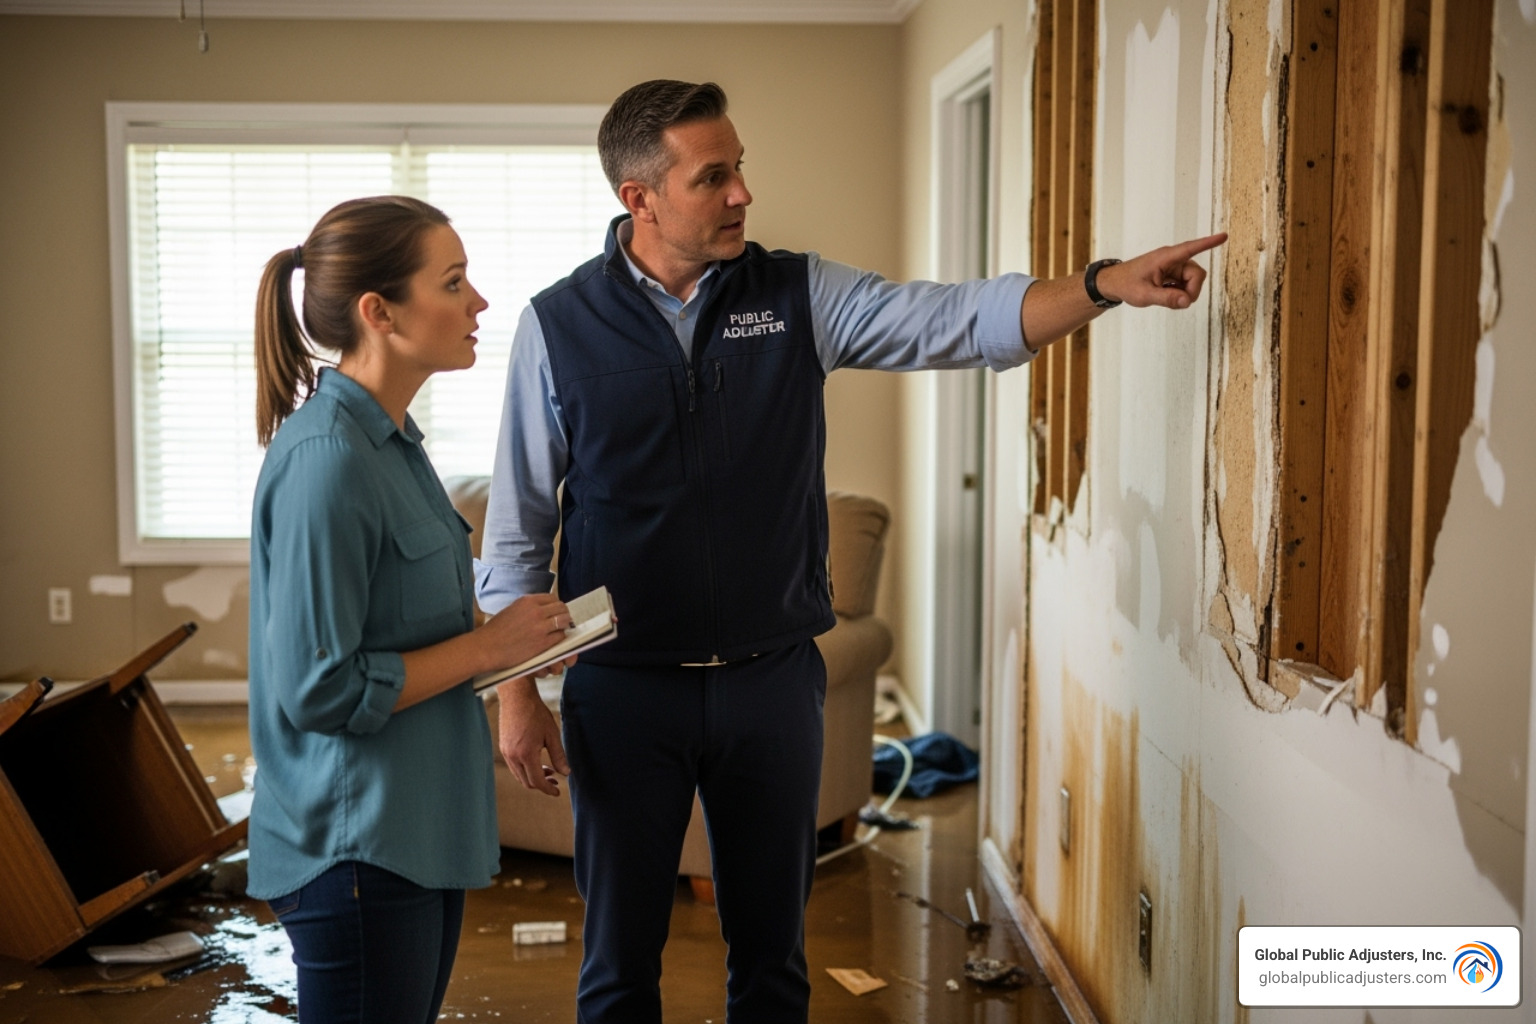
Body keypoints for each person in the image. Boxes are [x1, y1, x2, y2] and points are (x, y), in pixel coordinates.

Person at [474, 80, 1225, 1023]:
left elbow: (952, 319)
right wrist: (514, 693)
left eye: (740, 166)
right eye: (716, 176)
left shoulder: (797, 294)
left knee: (774, 962)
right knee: (619, 964)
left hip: (772, 684)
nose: (744, 191)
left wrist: (1103, 284)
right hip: (626, 690)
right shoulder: (558, 325)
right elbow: (518, 530)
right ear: (641, 198)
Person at [246, 195, 576, 1024]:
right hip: (358, 846)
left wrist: (523, 658)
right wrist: (491, 648)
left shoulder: (394, 443)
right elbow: (320, 690)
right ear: (379, 312)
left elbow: (423, 624)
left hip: (414, 830)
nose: (480, 303)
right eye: (454, 282)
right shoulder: (329, 461)